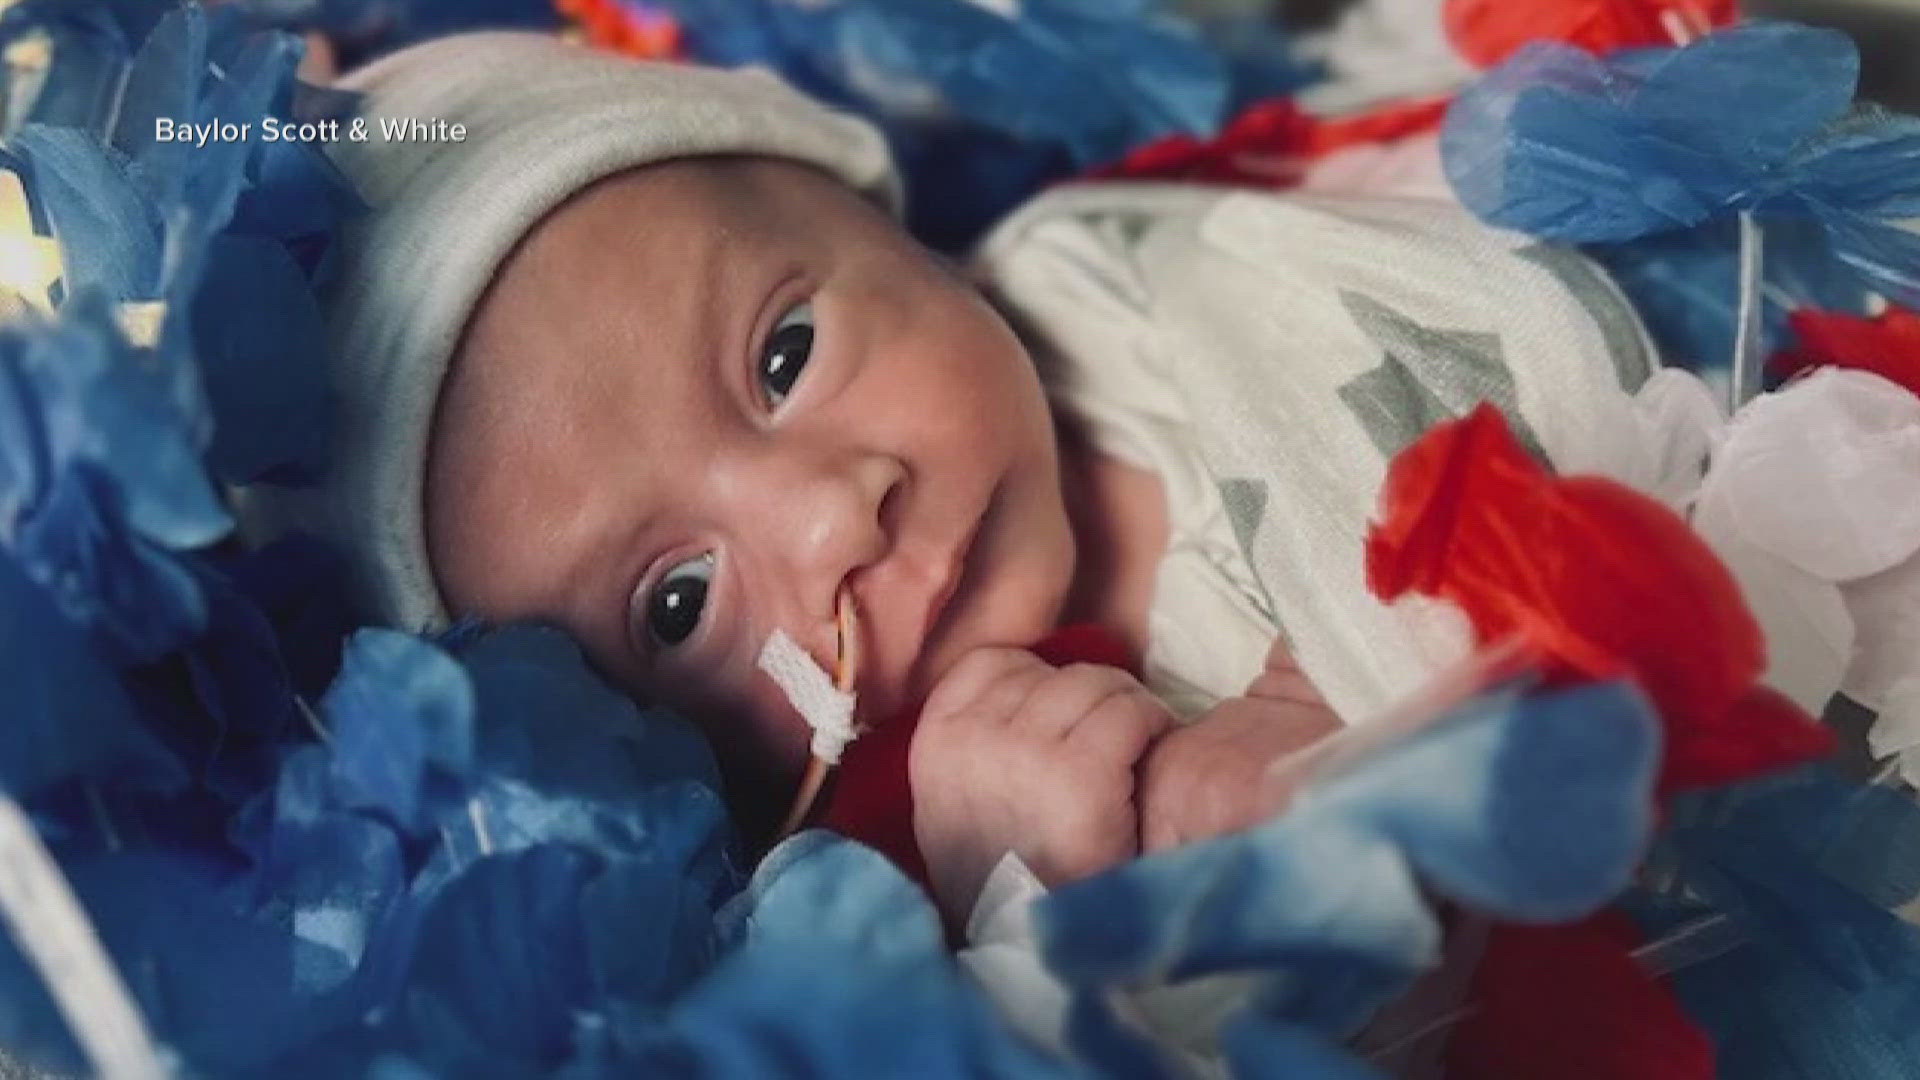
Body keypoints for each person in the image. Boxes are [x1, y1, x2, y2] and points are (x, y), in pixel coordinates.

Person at [242, 30, 1661, 932]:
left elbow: (1535, 338)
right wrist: (1021, 897)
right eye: (678, 603)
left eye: (786, 354)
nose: (829, 515)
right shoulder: (839, 900)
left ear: (880, 219)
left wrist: (1323, 684)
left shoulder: (1135, 300)